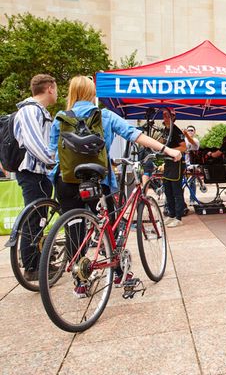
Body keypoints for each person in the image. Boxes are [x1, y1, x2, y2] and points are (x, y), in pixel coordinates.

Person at [49, 76, 182, 296]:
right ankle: (119, 273)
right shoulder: (104, 115)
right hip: (97, 179)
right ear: (92, 93)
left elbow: (53, 151)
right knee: (109, 225)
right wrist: (168, 150)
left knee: (74, 227)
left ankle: (80, 282)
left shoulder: (60, 118)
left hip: (66, 179)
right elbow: (135, 135)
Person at [12, 74, 58, 281]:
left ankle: (38, 260)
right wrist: (53, 162)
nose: (57, 93)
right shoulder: (30, 110)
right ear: (49, 88)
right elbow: (33, 143)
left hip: (39, 173)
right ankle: (32, 267)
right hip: (32, 173)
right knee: (33, 220)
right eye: (55, 88)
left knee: (38, 219)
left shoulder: (40, 111)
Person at [160, 109, 188, 227]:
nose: (165, 117)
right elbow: (161, 142)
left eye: (167, 115)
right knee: (168, 191)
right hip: (168, 164)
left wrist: (169, 151)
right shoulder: (165, 130)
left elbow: (184, 147)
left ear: (173, 117)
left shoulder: (176, 130)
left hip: (177, 164)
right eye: (164, 115)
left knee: (177, 192)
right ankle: (171, 215)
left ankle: (178, 217)